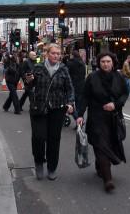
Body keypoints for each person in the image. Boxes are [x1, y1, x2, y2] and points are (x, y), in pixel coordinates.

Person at [76, 52, 127, 192]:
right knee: (101, 145)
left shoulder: (119, 77)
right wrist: (80, 114)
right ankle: (108, 180)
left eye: (108, 61)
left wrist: (115, 104)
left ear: (113, 62)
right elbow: (85, 96)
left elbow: (124, 94)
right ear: (99, 63)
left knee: (108, 144)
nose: (105, 64)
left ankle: (100, 167)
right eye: (103, 61)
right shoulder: (92, 77)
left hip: (113, 117)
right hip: (97, 116)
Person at [25, 44, 74, 181]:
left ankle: (52, 167)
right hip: (39, 108)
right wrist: (28, 81)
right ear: (47, 54)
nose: (56, 56)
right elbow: (28, 86)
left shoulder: (63, 69)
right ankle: (39, 162)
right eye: (53, 53)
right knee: (38, 137)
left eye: (58, 53)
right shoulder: (38, 68)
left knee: (54, 139)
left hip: (57, 109)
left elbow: (69, 89)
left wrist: (70, 103)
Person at [67, 50, 86, 123]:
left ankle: (77, 118)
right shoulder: (82, 63)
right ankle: (80, 118)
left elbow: (67, 74)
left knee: (69, 103)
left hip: (72, 84)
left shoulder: (70, 63)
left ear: (72, 55)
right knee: (79, 104)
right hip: (81, 84)